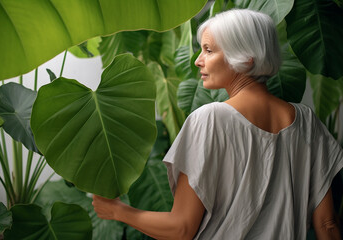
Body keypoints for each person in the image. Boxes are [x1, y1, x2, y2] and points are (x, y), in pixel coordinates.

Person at [92, 9, 343, 239]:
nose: (197, 61)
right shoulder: (307, 121)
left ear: (246, 58)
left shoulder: (209, 119)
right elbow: (327, 224)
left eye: (209, 50)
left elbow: (181, 229)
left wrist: (117, 211)